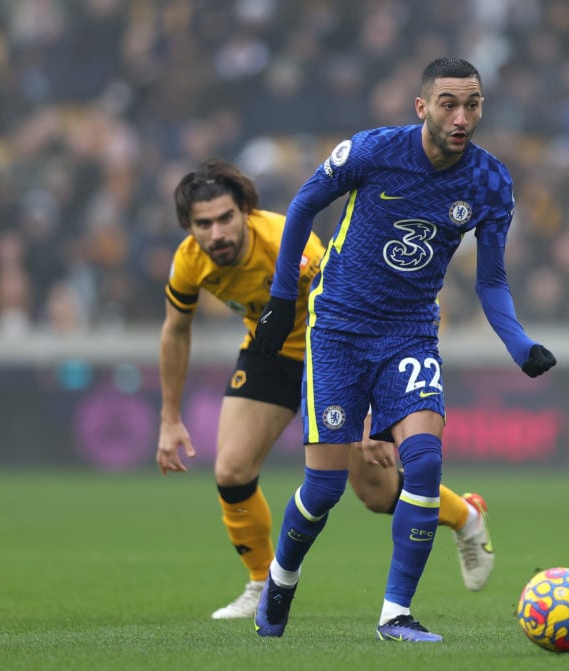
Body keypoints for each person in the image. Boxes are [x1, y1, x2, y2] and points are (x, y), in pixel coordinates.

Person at [251, 57, 556, 642]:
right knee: (325, 489)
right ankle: (281, 579)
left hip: (410, 332)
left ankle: (396, 614)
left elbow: (491, 281)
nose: (462, 115)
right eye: (449, 103)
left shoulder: (490, 182)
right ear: (422, 107)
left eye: (473, 104)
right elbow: (302, 207)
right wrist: (280, 300)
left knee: (424, 462)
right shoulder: (372, 151)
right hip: (337, 328)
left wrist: (521, 345)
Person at [156, 158, 496, 621]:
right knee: (232, 470)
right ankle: (260, 583)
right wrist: (170, 418)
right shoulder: (189, 262)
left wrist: (368, 412)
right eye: (203, 224)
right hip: (270, 351)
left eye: (225, 219)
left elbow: (348, 309)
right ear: (188, 227)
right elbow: (176, 332)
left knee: (375, 495)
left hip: (336, 349)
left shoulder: (287, 244)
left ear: (246, 213)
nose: (216, 233)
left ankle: (466, 516)